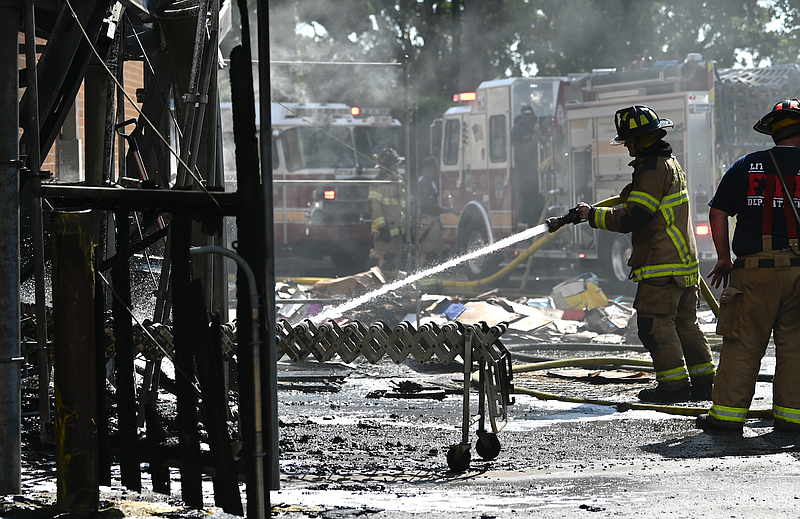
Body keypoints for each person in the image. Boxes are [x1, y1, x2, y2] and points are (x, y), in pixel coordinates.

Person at [576, 105, 715, 403]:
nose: (626, 145)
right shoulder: (668, 163)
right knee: (685, 324)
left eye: (628, 140)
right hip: (684, 263)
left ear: (642, 139)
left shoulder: (652, 168)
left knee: (654, 326)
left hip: (661, 264)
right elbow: (643, 200)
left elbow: (635, 216)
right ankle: (705, 383)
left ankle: (673, 387)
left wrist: (592, 216)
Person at [697, 99, 800, 434]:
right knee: (796, 347)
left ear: (774, 131)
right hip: (799, 272)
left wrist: (724, 258)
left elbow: (717, 213)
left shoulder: (745, 166)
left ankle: (726, 418)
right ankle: (791, 419)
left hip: (753, 272)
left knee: (742, 343)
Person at [417, 156, 460, 267]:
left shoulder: (431, 184)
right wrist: (450, 210)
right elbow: (432, 207)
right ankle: (426, 283)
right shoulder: (424, 184)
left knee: (436, 255)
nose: (435, 171)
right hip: (427, 223)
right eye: (434, 168)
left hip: (433, 223)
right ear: (428, 168)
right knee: (429, 255)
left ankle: (435, 283)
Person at [369, 148, 405, 278]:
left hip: (398, 232)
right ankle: (383, 292)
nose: (397, 166)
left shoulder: (398, 181)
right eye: (395, 163)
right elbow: (374, 208)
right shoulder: (378, 183)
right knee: (386, 263)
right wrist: (382, 228)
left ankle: (392, 292)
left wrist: (407, 226)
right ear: (388, 165)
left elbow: (403, 205)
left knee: (396, 264)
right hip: (385, 232)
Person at [511, 104, 543, 226]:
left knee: (536, 193)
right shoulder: (517, 129)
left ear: (533, 115)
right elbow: (517, 149)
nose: (528, 118)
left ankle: (537, 220)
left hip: (537, 167)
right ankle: (527, 222)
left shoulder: (537, 122)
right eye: (525, 115)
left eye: (530, 115)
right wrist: (533, 143)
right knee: (526, 194)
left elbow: (547, 120)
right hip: (523, 169)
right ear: (522, 116)